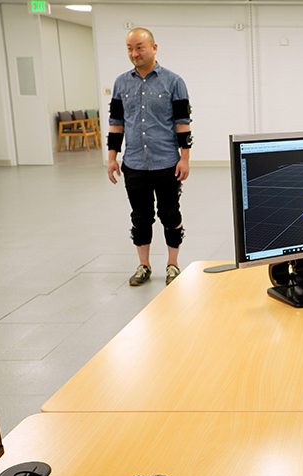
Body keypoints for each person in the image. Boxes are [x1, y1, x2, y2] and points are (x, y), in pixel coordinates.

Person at [107, 27, 193, 286]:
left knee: (170, 214)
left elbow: (182, 123)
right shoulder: (121, 83)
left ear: (153, 48)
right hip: (133, 162)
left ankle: (173, 264)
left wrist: (185, 157)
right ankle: (143, 265)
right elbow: (116, 123)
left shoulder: (174, 81)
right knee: (140, 217)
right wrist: (112, 157)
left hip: (166, 161)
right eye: (130, 48)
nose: (134, 53)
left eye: (139, 47)